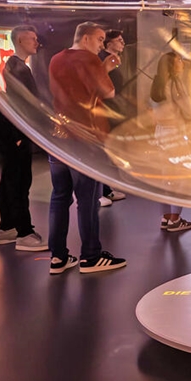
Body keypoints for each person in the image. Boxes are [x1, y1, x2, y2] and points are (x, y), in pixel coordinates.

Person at [47, 22, 126, 274]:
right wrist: (106, 68)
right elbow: (108, 92)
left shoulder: (56, 59)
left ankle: (58, 257)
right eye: (100, 40)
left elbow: (76, 94)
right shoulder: (89, 60)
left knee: (59, 197)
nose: (102, 45)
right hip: (86, 137)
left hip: (59, 137)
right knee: (87, 200)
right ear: (86, 39)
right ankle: (90, 256)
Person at [0, 25, 47, 252]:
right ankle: (24, 232)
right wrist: (19, 134)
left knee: (11, 176)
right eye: (32, 38)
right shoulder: (17, 69)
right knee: (18, 180)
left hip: (12, 133)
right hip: (15, 133)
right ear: (20, 40)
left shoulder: (14, 67)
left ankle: (7, 227)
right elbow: (24, 104)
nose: (36, 42)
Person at [151, 53, 191, 233]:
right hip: (175, 134)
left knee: (165, 178)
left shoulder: (157, 83)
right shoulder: (176, 83)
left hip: (160, 133)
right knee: (179, 178)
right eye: (178, 59)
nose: (182, 62)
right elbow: (189, 110)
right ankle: (175, 219)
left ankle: (166, 217)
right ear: (171, 65)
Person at [97, 29, 129, 207]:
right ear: (109, 44)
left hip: (113, 109)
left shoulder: (115, 60)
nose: (122, 43)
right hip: (105, 111)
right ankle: (100, 191)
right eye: (119, 40)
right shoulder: (104, 60)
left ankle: (106, 189)